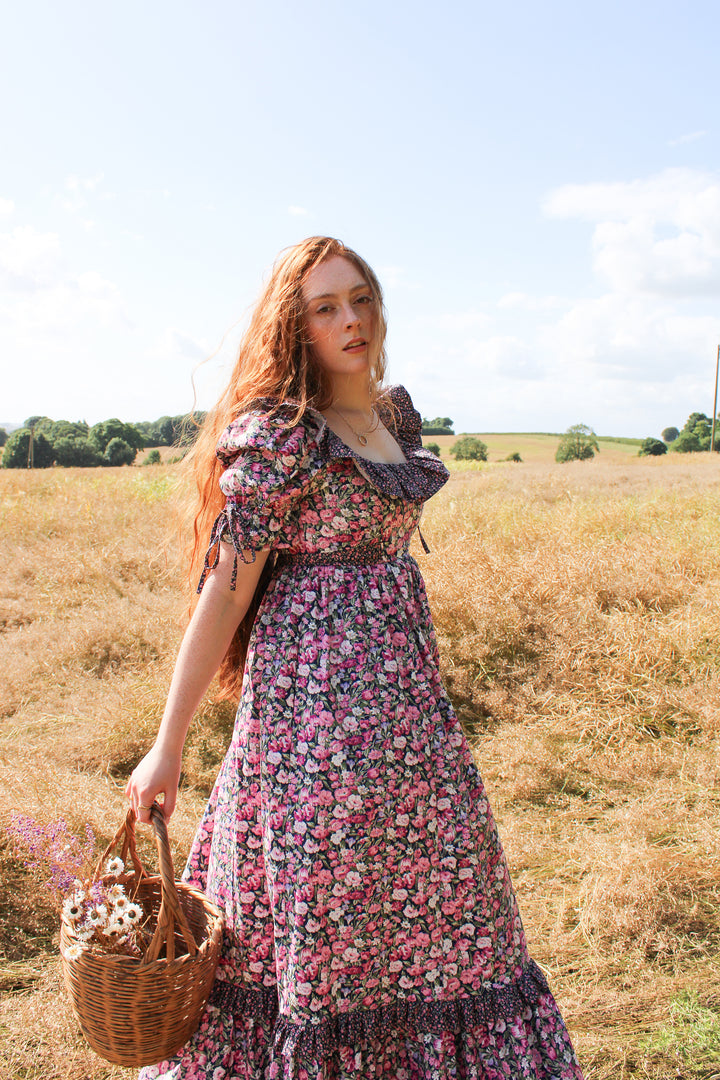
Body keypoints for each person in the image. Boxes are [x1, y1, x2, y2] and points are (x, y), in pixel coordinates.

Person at [126, 237, 584, 1079]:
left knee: (449, 906)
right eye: (326, 307)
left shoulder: (388, 421)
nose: (351, 321)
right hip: (312, 732)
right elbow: (224, 594)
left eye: (361, 299)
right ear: (295, 327)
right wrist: (168, 743)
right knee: (323, 919)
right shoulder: (281, 438)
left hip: (413, 726)